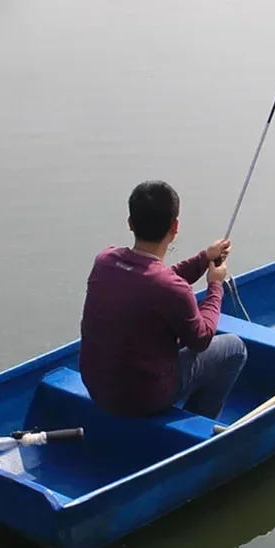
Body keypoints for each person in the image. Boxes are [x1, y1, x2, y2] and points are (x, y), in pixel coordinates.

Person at [78, 180, 247, 420]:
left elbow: (153, 280)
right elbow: (202, 339)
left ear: (130, 223)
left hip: (97, 388)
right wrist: (215, 284)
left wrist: (204, 258)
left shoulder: (104, 261)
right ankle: (198, 423)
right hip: (143, 398)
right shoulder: (171, 289)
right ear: (175, 226)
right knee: (235, 348)